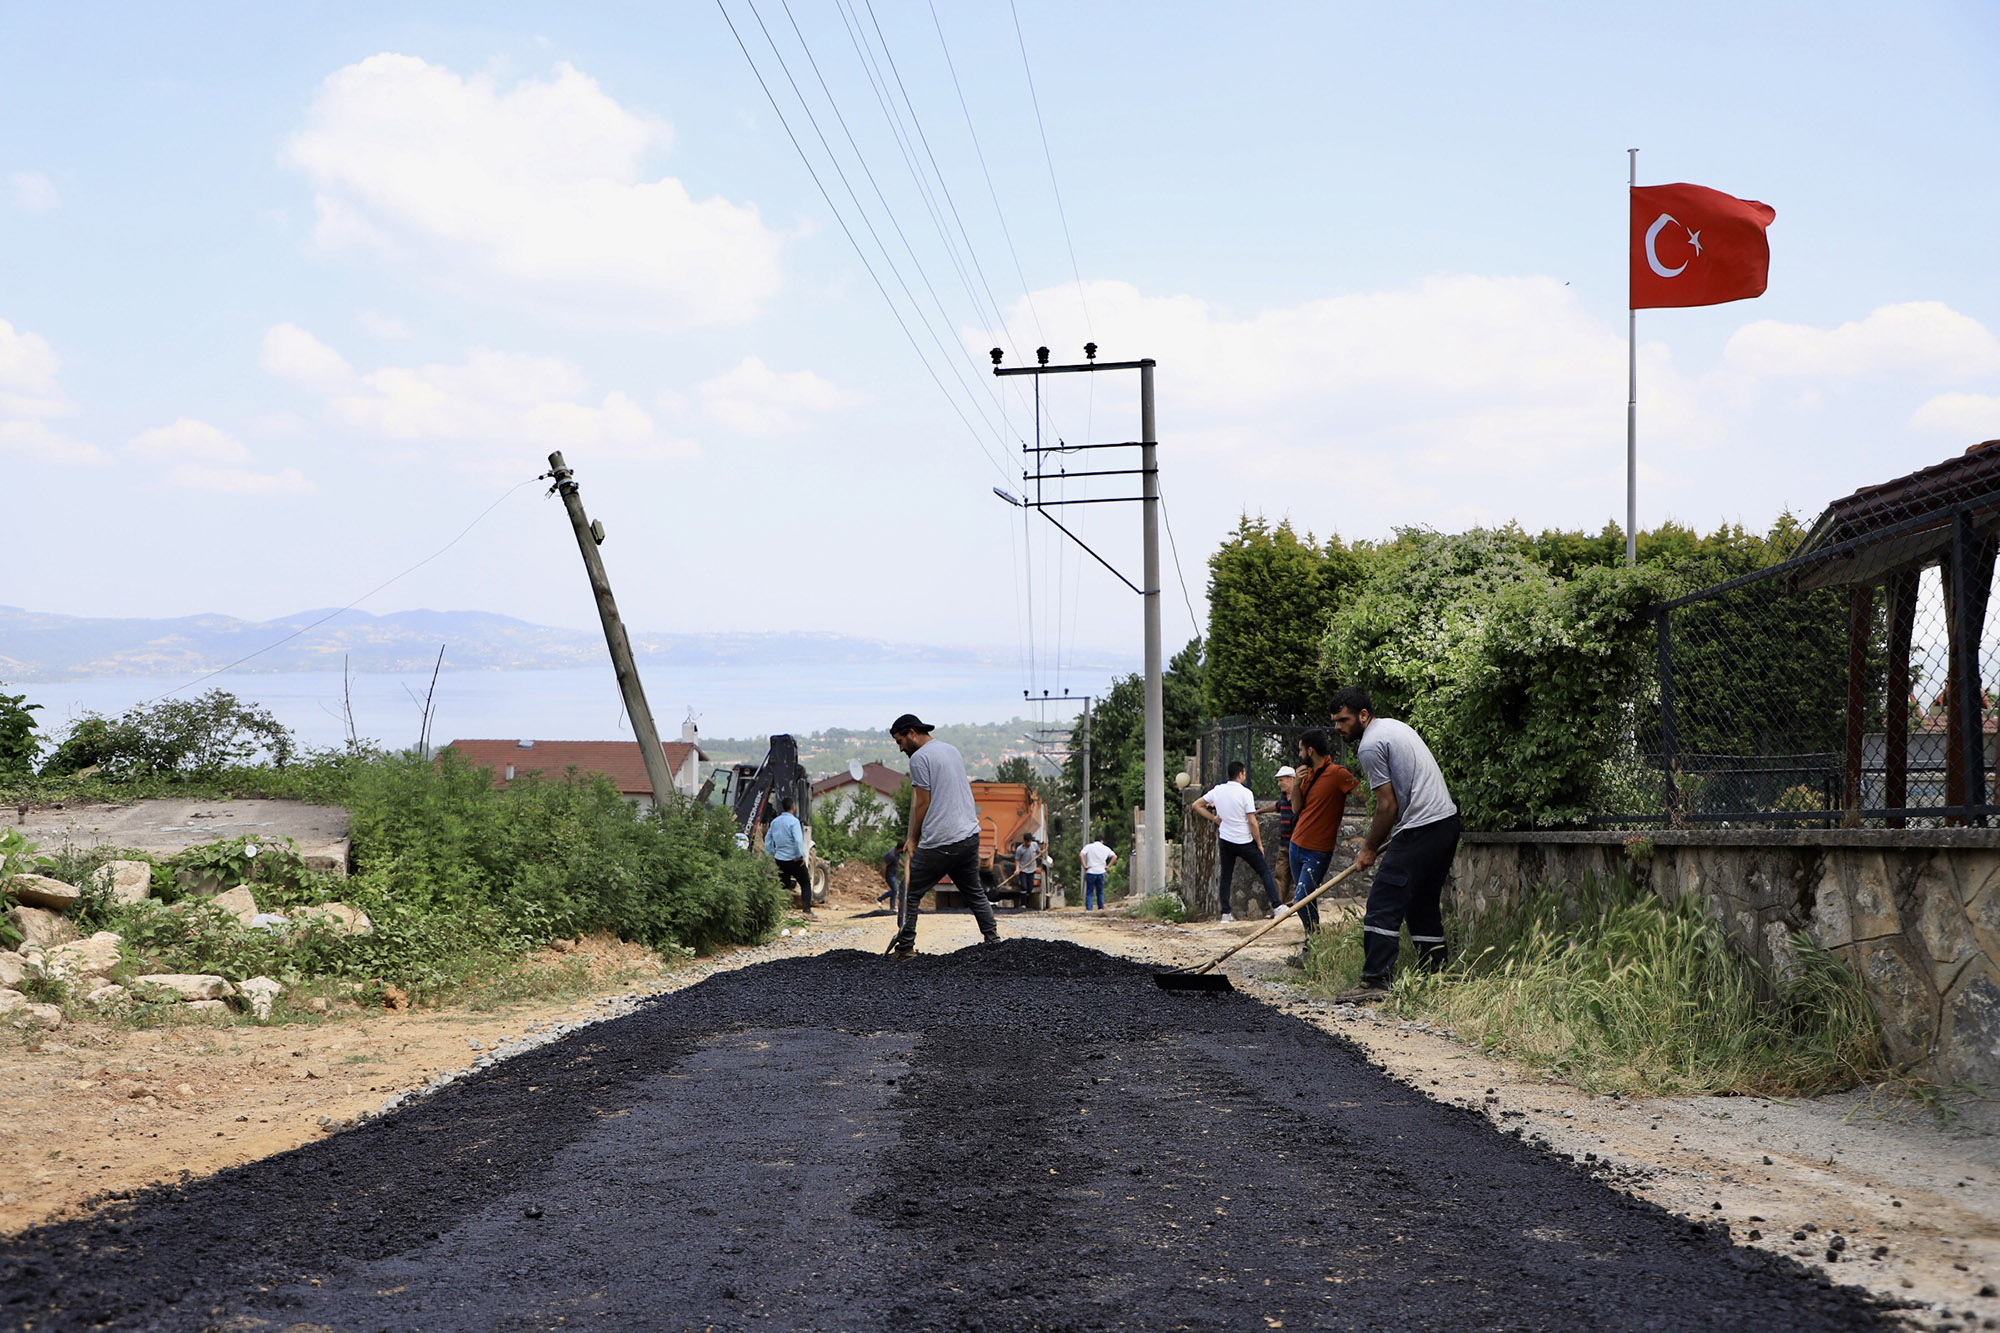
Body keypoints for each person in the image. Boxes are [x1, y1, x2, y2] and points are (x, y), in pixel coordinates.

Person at [1329, 686, 1462, 1003]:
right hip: (1446, 823)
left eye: (1344, 720)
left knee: (1383, 900)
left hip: (1423, 826)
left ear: (1363, 715)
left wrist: (1369, 848)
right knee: (1421, 904)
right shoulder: (1393, 727)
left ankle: (1376, 980)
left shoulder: (1370, 745)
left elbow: (1387, 806)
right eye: (1335, 721)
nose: (1338, 727)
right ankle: (1435, 976)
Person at [885, 713, 1000, 956]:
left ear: (912, 733)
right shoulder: (951, 750)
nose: (900, 748)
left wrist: (913, 839)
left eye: (900, 741)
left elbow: (922, 802)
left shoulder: (919, 759)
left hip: (943, 840)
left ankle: (905, 948)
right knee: (975, 893)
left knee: (910, 891)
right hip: (969, 836)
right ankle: (994, 942)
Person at [1283, 731, 1358, 945]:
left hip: (1317, 850)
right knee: (1308, 900)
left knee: (1300, 899)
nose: (1299, 755)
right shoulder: (1307, 775)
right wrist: (1296, 784)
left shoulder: (1337, 774)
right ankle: (1312, 944)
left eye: (1300, 749)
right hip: (1296, 846)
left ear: (1310, 750)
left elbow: (1366, 795)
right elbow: (1296, 809)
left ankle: (1315, 940)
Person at [1194, 761, 1279, 923]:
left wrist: (1214, 818)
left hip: (1226, 839)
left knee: (1226, 875)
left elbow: (1196, 805)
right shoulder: (1245, 793)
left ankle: (1225, 913)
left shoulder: (1218, 790)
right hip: (1244, 840)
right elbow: (1252, 821)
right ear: (1240, 774)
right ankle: (1278, 906)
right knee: (1264, 871)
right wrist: (1259, 843)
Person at [763, 795, 813, 916]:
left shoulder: (774, 822)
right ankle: (807, 910)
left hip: (780, 859)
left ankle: (780, 911)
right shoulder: (794, 822)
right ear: (793, 807)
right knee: (805, 883)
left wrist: (770, 855)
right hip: (794, 859)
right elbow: (797, 840)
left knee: (783, 885)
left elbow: (768, 839)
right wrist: (801, 855)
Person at [1079, 836, 1117, 911]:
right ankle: (1101, 908)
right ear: (1102, 841)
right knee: (1100, 891)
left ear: (1095, 840)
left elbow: (1081, 854)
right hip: (1101, 871)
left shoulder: (1089, 846)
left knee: (1090, 891)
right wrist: (1108, 866)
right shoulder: (1105, 848)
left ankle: (1089, 909)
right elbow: (1114, 856)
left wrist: (1084, 866)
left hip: (1091, 871)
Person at [877, 842, 902, 912]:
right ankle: (880, 899)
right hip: (889, 875)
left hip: (894, 874)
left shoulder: (897, 853)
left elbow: (898, 860)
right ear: (900, 849)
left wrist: (905, 866)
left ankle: (892, 907)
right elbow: (884, 866)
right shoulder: (891, 855)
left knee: (894, 890)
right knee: (895, 890)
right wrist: (883, 878)